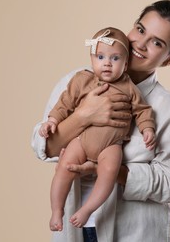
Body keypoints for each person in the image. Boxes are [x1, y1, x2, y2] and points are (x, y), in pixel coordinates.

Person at [32, 0, 170, 242]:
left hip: (134, 233)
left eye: (156, 42)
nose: (140, 44)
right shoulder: (78, 81)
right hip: (73, 230)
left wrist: (112, 171)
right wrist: (83, 115)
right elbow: (43, 146)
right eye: (140, 29)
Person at [38, 27, 156, 231]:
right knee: (65, 167)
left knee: (109, 171)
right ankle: (57, 210)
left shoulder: (130, 88)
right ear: (92, 59)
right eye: (100, 56)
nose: (107, 63)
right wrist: (52, 121)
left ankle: (87, 210)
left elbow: (143, 111)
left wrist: (148, 129)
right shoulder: (82, 80)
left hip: (111, 145)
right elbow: (64, 104)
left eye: (115, 58)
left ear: (126, 64)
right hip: (82, 140)